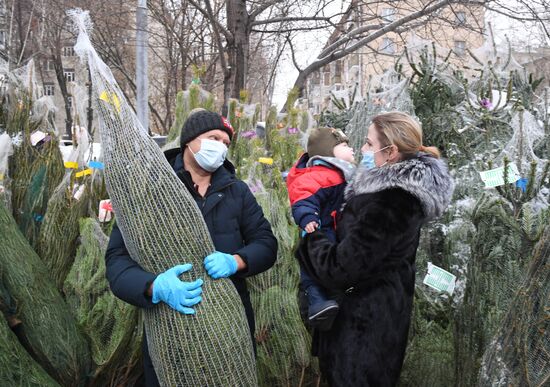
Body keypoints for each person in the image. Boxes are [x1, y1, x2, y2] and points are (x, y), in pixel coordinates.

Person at [105, 110, 278, 386]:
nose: (220, 147)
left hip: (227, 329)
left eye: (225, 142)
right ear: (190, 140)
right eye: (213, 138)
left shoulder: (236, 191)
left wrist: (237, 260)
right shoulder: (150, 188)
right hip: (170, 330)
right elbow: (117, 261)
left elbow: (266, 244)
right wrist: (152, 287)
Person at [296, 112, 454, 386]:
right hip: (369, 327)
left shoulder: (391, 201)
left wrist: (313, 237)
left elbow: (341, 268)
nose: (362, 150)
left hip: (362, 335)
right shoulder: (386, 193)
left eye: (369, 144)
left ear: (390, 151)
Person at [286, 127, 356, 330]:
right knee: (313, 269)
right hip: (319, 231)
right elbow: (303, 196)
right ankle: (315, 303)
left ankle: (331, 303)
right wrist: (308, 217)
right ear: (328, 151)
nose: (351, 149)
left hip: (337, 233)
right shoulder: (319, 175)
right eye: (344, 145)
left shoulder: (342, 173)